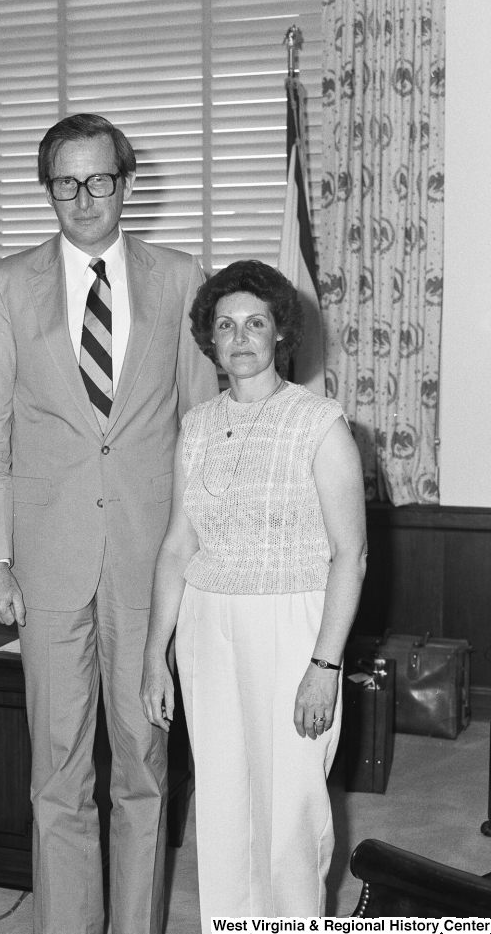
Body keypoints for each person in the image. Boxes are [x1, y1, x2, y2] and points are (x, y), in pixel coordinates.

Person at [0, 113, 219, 934]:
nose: (83, 197)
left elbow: (202, 427)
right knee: (57, 772)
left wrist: (196, 559)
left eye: (99, 179)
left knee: (144, 763)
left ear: (127, 182)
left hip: (149, 562)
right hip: (46, 562)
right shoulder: (8, 284)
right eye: (65, 182)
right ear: (48, 189)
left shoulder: (181, 279)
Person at [140, 259, 367, 927]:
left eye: (255, 323)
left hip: (295, 623)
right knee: (223, 799)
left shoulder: (319, 422)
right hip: (208, 623)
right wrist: (158, 652)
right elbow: (179, 543)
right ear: (209, 338)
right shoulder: (199, 424)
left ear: (280, 334)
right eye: (226, 325)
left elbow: (350, 552)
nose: (240, 337)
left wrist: (324, 665)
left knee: (289, 805)